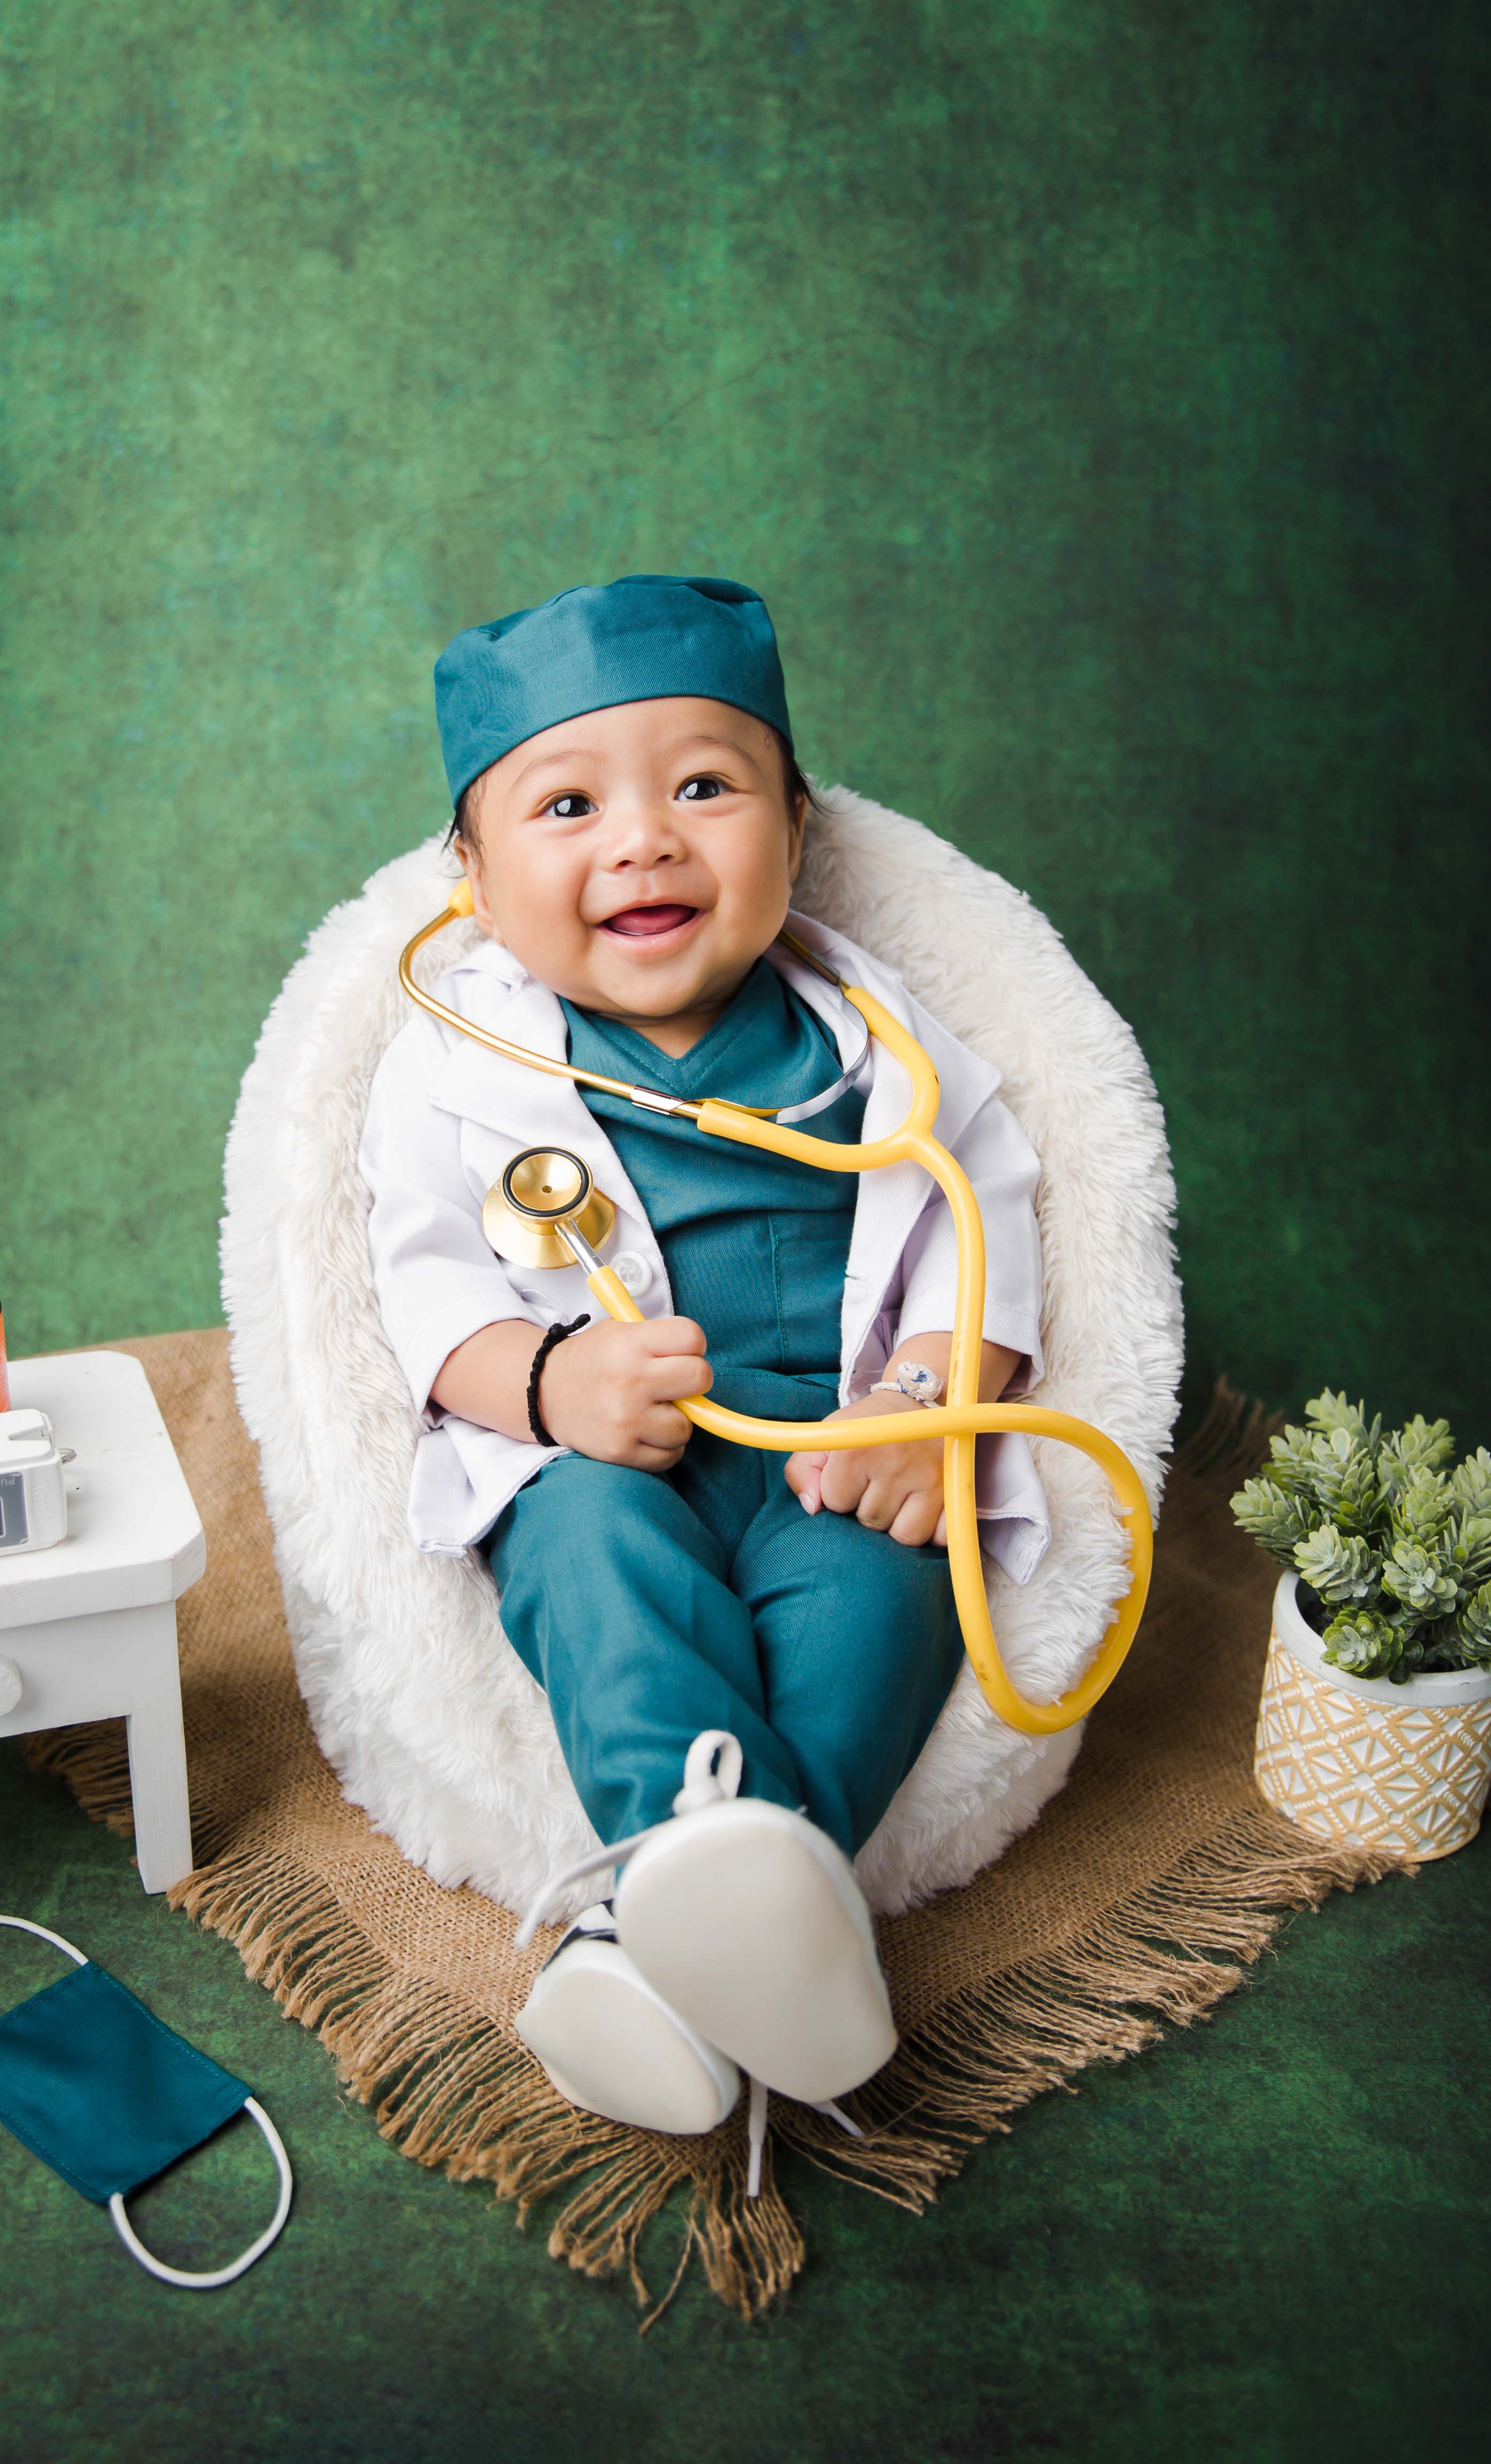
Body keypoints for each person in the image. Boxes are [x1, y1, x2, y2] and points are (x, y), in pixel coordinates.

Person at [360, 575, 1049, 2146]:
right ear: (473, 881)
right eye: (567, 806)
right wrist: (547, 1384)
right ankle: (727, 1895)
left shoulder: (869, 1039)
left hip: (833, 1449)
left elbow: (987, 1216)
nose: (643, 842)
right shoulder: (456, 1064)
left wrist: (925, 1402)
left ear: (795, 830)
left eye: (703, 788)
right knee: (592, 1559)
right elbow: (422, 1292)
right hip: (607, 1456)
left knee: (884, 1593)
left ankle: (644, 1949)